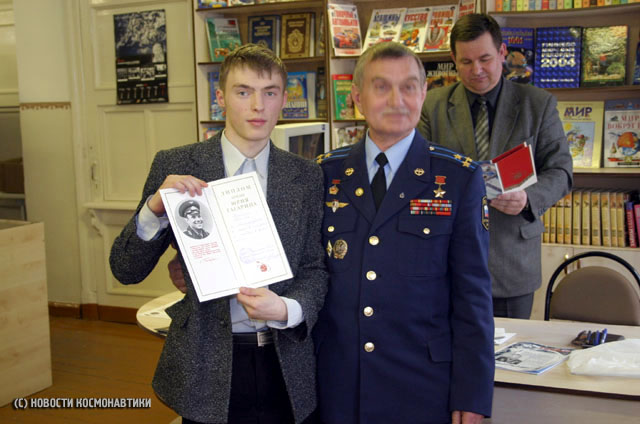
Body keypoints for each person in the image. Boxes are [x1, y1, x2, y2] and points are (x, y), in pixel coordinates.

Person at [110, 44, 328, 424]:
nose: (258, 106)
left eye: (270, 93)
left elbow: (314, 268)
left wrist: (288, 309)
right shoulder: (177, 164)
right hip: (206, 363)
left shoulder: (306, 175)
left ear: (283, 100)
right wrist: (154, 210)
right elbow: (126, 269)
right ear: (221, 97)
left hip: (286, 362)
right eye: (244, 92)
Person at [314, 42, 494, 424]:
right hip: (337, 385)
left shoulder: (458, 178)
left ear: (424, 93)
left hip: (421, 386)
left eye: (409, 87)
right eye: (382, 87)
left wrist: (473, 393)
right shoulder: (323, 174)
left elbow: (473, 296)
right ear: (357, 97)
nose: (397, 100)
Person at [418, 13, 573, 319]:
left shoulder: (537, 104)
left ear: (502, 52)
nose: (476, 70)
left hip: (512, 260)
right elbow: (417, 170)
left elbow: (561, 171)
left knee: (511, 349)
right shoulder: (431, 105)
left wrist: (528, 198)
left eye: (485, 59)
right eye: (466, 61)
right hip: (446, 262)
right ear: (453, 59)